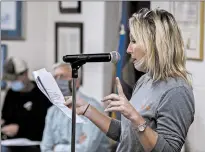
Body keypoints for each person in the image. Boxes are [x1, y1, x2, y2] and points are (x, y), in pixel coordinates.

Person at [64, 8, 195, 152]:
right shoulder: (145, 80)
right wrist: (88, 110)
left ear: (154, 44)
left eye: (134, 41)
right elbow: (126, 135)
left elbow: (168, 150)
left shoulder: (177, 91)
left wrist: (135, 117)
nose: (128, 49)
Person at [41, 63, 110, 152]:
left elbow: (87, 149)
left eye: (62, 77)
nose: (57, 81)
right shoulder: (52, 111)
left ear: (76, 82)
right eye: (55, 77)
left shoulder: (91, 107)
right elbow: (45, 148)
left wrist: (56, 148)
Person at [1, 57, 52, 152]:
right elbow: (6, 117)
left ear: (25, 74)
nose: (12, 83)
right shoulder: (11, 93)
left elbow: (46, 124)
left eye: (15, 79)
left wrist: (20, 129)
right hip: (11, 144)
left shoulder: (42, 92)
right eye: (10, 80)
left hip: (36, 145)